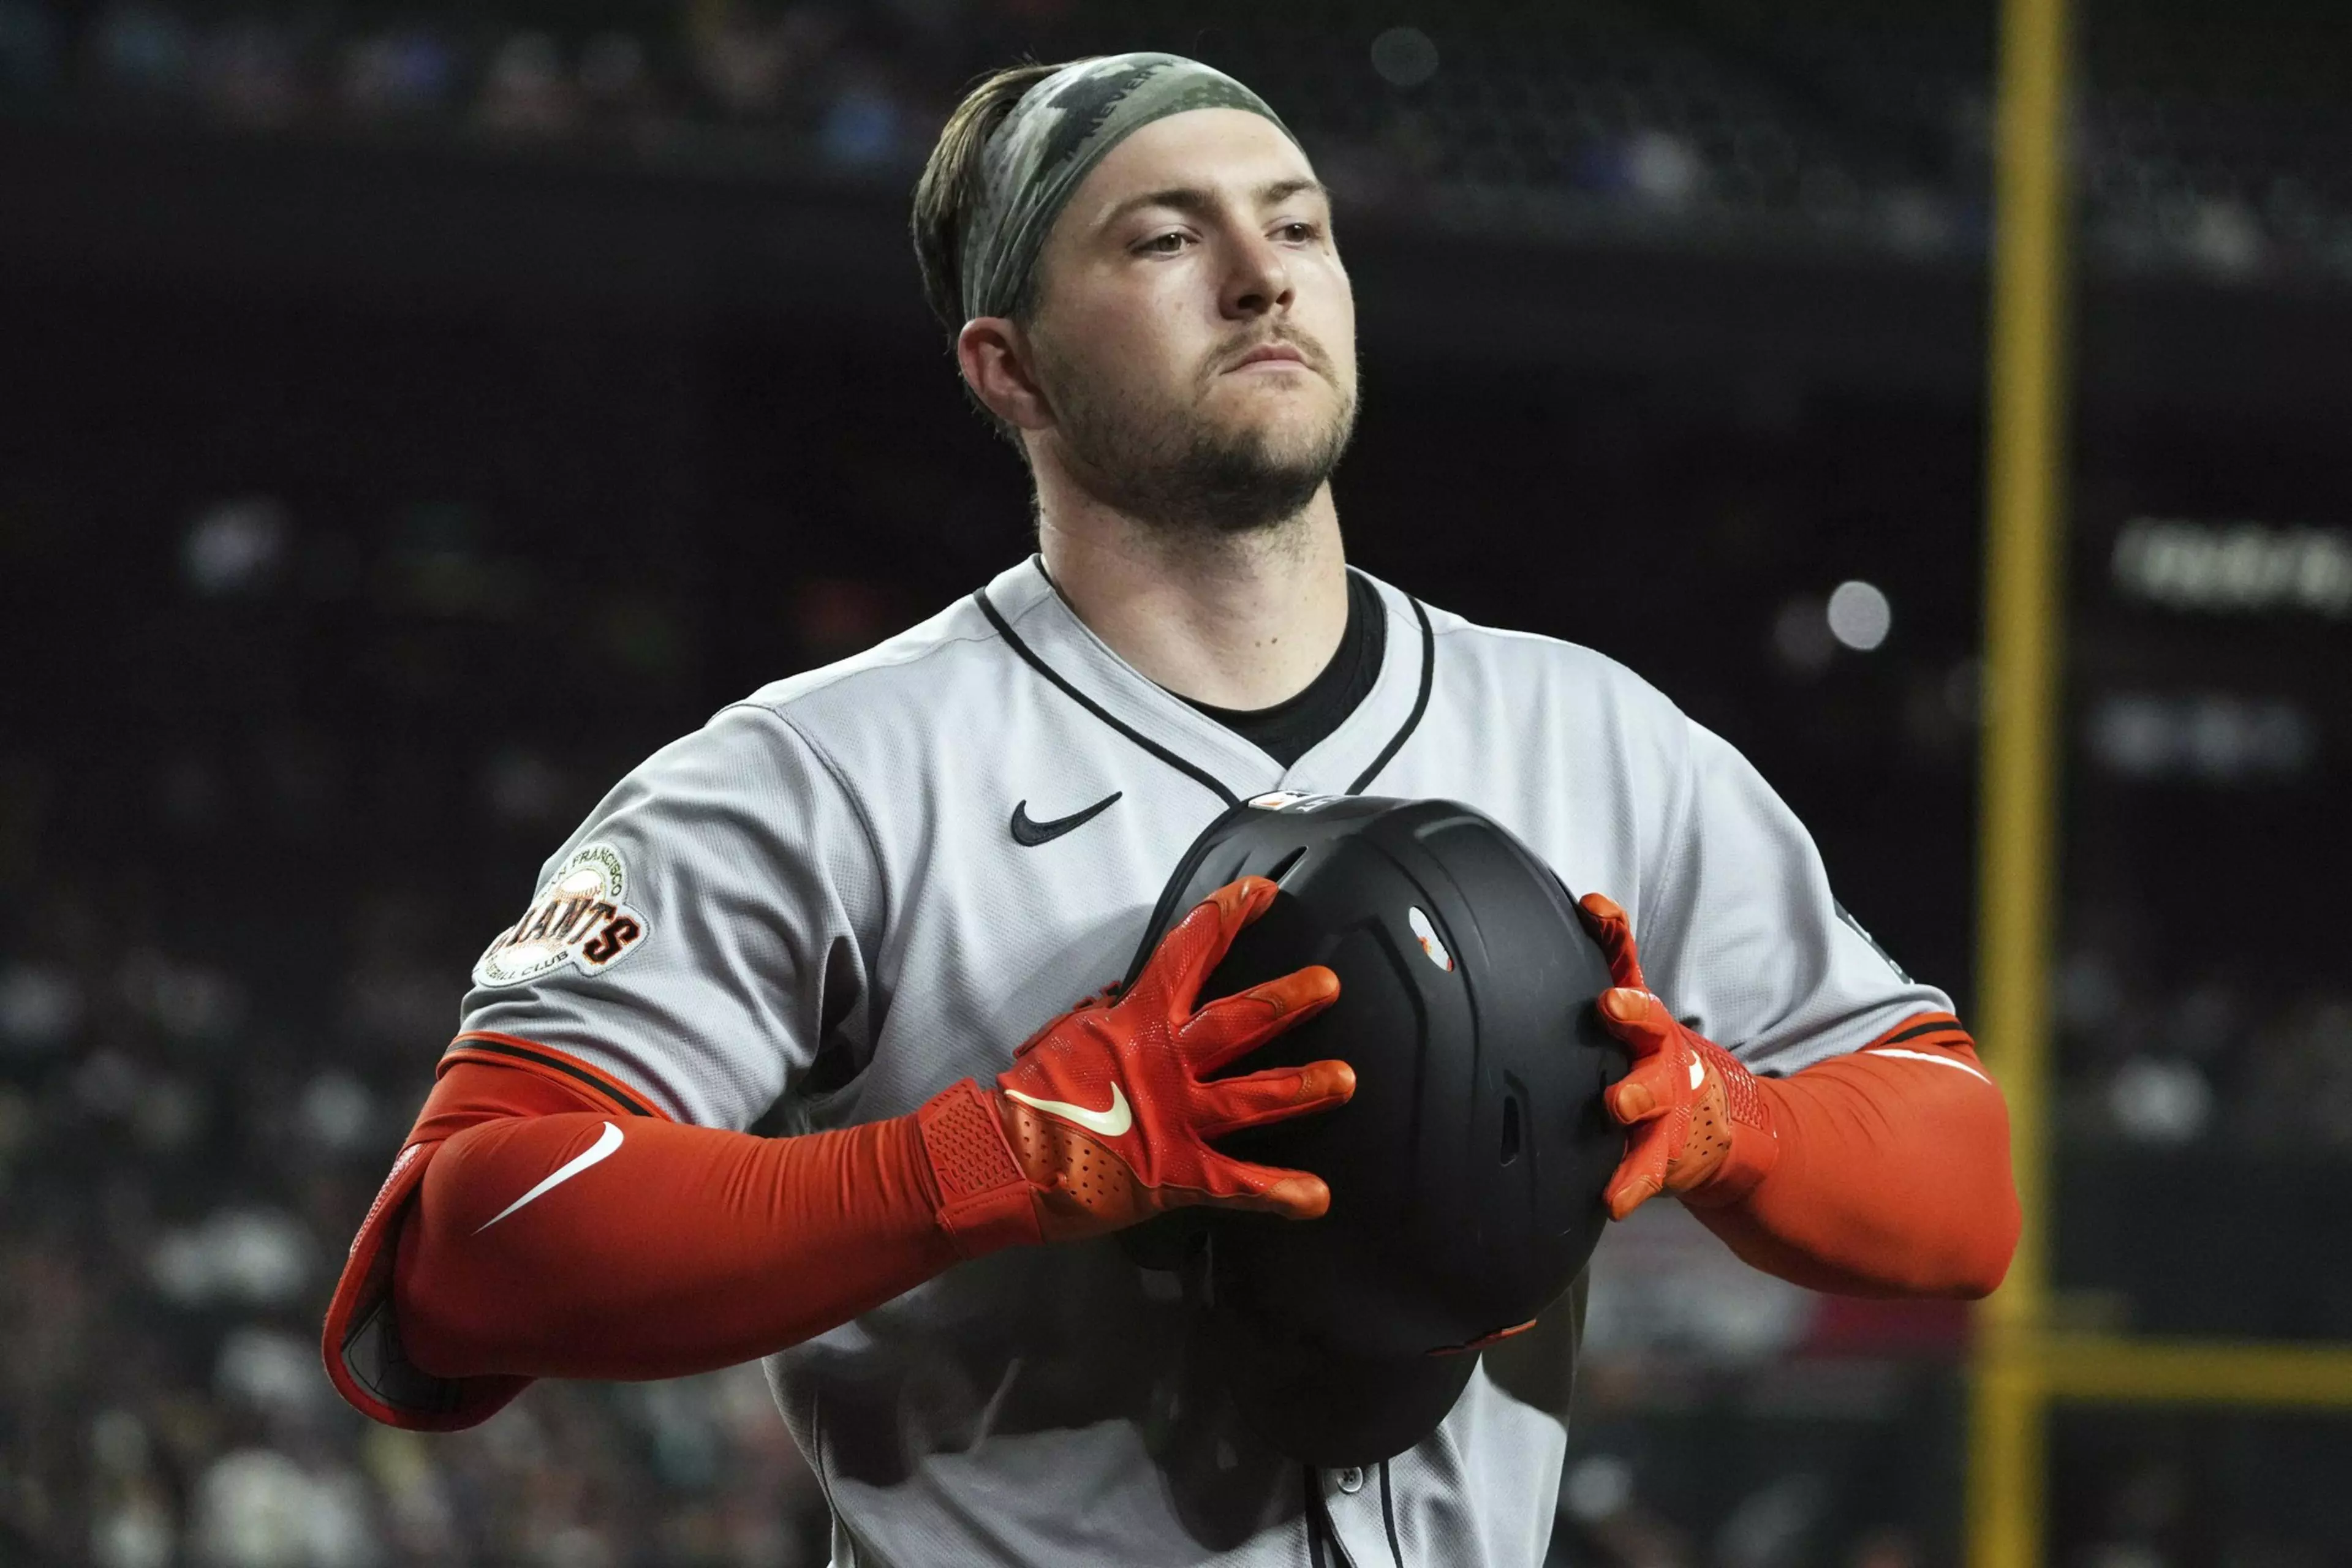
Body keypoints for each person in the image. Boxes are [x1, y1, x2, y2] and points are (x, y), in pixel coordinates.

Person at [323, 53, 2019, 1567]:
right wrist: (985, 1160)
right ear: (1011, 370)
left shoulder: (1590, 735)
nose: (1259, 269)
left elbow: (1962, 1186)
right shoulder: (821, 772)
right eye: (1161, 237)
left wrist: (1732, 1125)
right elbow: (470, 1248)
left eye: (1296, 222)